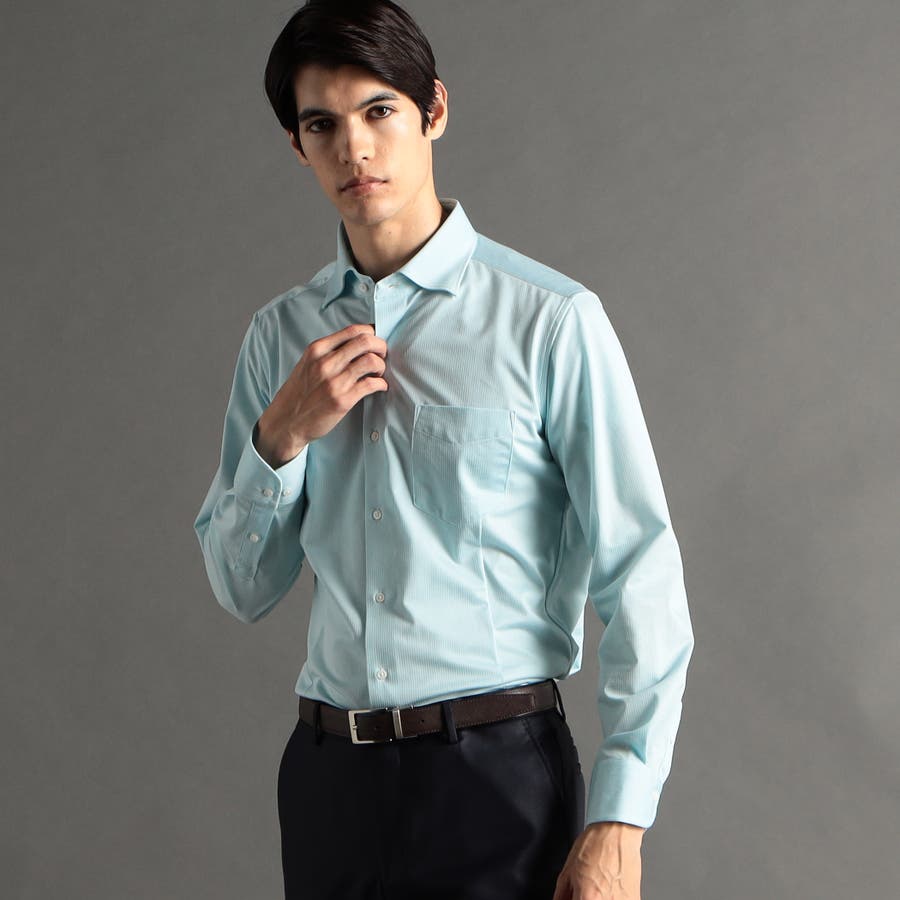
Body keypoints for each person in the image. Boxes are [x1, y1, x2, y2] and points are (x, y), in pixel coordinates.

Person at [192, 1, 695, 898]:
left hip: (496, 782)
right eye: (322, 124)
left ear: (434, 111)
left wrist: (621, 819)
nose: (355, 148)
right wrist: (281, 438)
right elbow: (242, 588)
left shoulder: (550, 321)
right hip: (329, 784)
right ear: (297, 145)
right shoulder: (279, 339)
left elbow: (640, 569)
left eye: (379, 110)